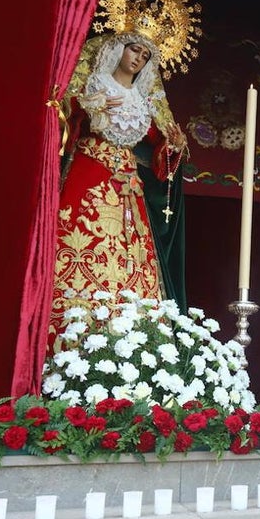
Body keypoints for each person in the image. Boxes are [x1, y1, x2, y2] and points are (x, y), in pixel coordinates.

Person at [48, 31, 187, 342]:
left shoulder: (143, 101)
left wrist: (173, 145)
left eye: (145, 56)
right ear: (119, 48)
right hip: (88, 175)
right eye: (134, 50)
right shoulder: (94, 84)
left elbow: (159, 155)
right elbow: (62, 115)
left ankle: (129, 341)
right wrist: (87, 105)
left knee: (131, 259)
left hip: (128, 189)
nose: (137, 59)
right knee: (78, 244)